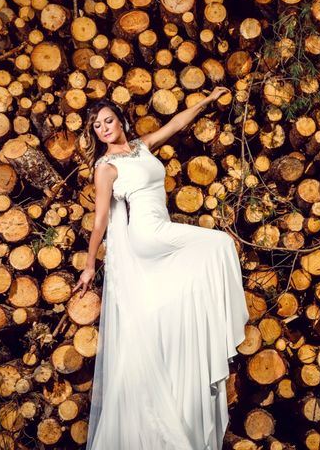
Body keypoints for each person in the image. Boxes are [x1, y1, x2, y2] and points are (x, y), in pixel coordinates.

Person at [73, 87, 250, 450]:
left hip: (158, 229)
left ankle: (181, 366)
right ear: (94, 134)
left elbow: (175, 124)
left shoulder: (140, 146)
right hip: (148, 233)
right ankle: (213, 332)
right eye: (97, 126)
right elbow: (101, 218)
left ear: (120, 120)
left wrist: (206, 101)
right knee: (216, 244)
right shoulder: (106, 167)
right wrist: (90, 265)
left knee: (170, 304)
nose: (104, 128)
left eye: (108, 121)